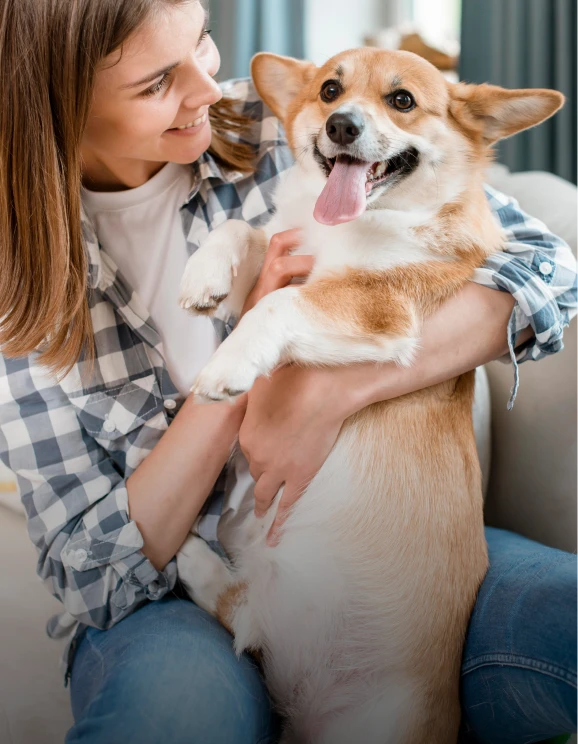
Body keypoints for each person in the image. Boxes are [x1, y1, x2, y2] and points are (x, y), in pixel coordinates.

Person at [0, 1, 576, 743]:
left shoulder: (293, 120)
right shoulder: (19, 283)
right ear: (58, 102)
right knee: (172, 712)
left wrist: (339, 391)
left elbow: (544, 267)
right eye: (156, 84)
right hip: (187, 593)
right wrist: (245, 394)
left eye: (202, 42)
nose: (211, 89)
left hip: (390, 545)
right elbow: (92, 569)